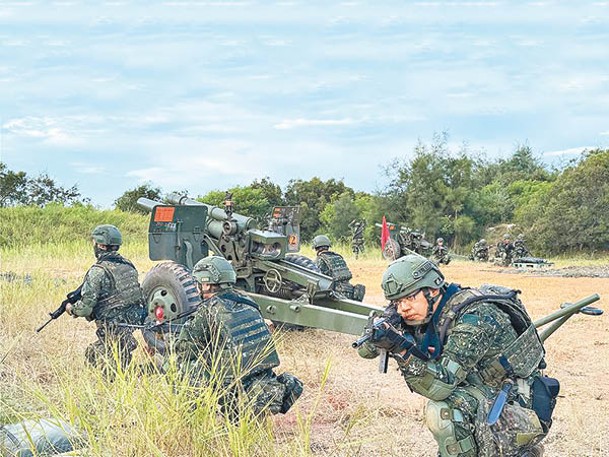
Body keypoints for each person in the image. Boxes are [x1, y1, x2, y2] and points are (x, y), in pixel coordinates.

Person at [357, 254, 552, 457]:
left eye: (410, 297)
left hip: (516, 400)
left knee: (442, 412)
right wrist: (382, 327)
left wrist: (400, 348)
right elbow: (364, 351)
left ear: (432, 290)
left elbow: (441, 387)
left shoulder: (476, 316)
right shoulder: (426, 311)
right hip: (480, 386)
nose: (404, 308)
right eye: (397, 302)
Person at [173, 256, 303, 417]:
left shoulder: (208, 310)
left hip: (236, 383)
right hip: (263, 377)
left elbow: (184, 350)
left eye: (198, 282)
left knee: (182, 367)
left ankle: (197, 417)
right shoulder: (247, 302)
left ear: (206, 283)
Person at [66, 224, 145, 373]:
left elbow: (85, 308)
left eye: (95, 242)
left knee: (95, 358)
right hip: (132, 320)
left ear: (100, 245)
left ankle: (135, 370)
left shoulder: (98, 271)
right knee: (105, 355)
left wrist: (71, 309)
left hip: (113, 326)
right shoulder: (128, 265)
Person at [312, 235, 365, 301]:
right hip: (350, 291)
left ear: (316, 247)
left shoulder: (319, 260)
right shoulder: (338, 257)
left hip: (336, 294)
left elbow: (318, 279)